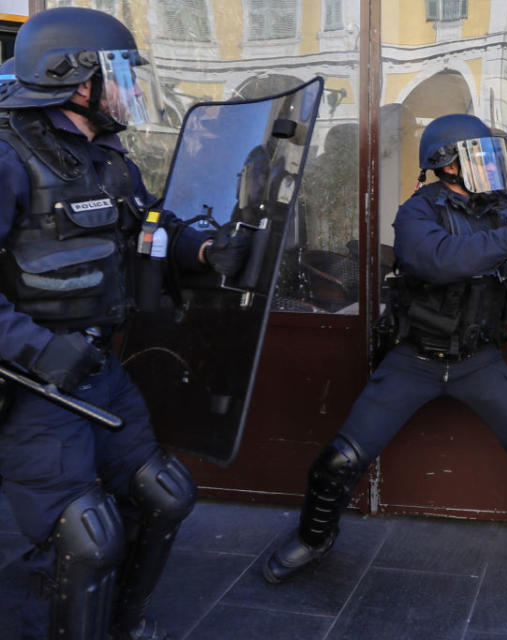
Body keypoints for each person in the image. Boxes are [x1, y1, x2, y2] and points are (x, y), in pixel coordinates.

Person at [262, 113, 507, 593]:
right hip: (415, 360)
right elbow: (439, 260)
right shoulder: (417, 212)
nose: (488, 164)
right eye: (477, 154)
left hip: (478, 360)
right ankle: (312, 538)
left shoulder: (505, 205)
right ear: (447, 164)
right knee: (339, 462)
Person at [0, 8, 249, 640]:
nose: (127, 90)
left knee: (163, 494)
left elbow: (148, 227)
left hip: (100, 370)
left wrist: (201, 248)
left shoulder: (105, 156)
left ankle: (122, 624)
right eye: (117, 73)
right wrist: (36, 350)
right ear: (75, 78)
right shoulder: (8, 155)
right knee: (82, 536)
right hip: (37, 387)